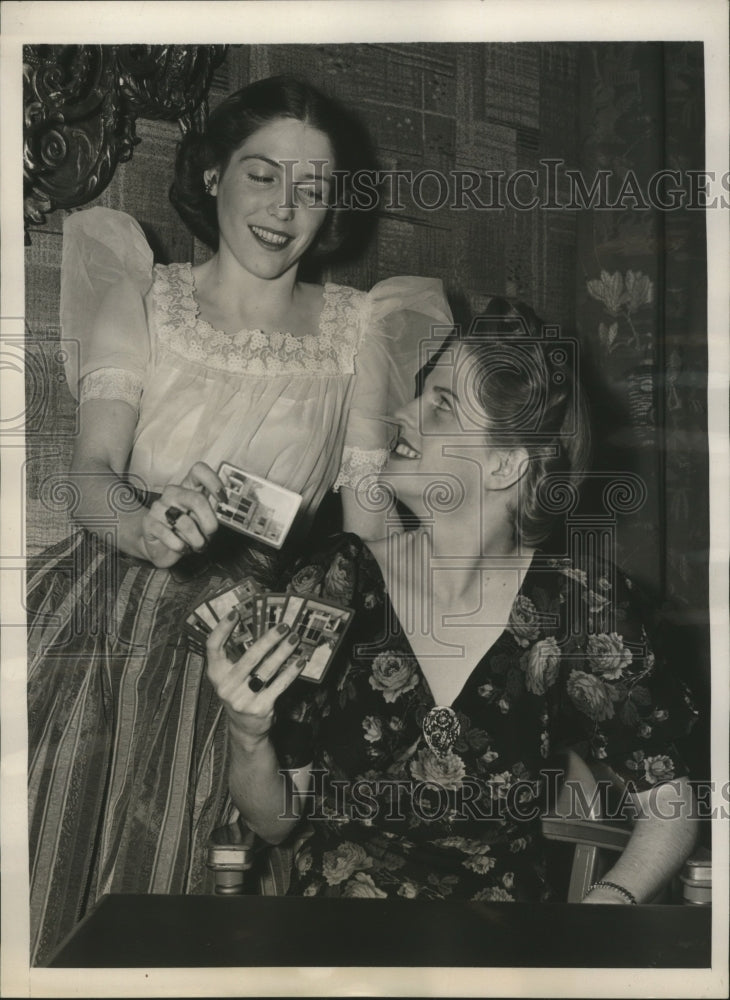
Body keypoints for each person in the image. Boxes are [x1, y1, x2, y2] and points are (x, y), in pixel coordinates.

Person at [27, 74, 452, 964]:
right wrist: (145, 527)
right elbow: (90, 474)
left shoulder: (362, 331)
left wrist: (439, 607)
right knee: (54, 846)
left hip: (258, 635)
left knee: (200, 884)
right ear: (213, 174)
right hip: (108, 610)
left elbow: (370, 524)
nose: (285, 208)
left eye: (312, 188)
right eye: (263, 176)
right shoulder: (146, 299)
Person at [206, 304, 699, 904]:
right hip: (339, 950)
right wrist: (247, 731)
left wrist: (609, 904)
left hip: (502, 955)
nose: (402, 413)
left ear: (504, 463)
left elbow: (669, 802)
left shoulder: (579, 604)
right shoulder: (336, 579)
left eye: (440, 404)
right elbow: (273, 822)